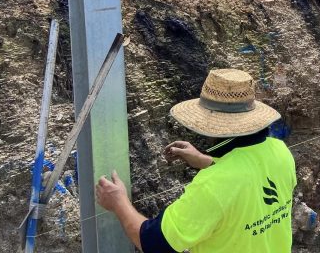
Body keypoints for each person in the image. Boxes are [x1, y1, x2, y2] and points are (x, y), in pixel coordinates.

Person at [96, 68, 296, 252]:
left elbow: (153, 243)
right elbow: (246, 182)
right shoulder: (280, 151)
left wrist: (119, 202)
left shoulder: (213, 184)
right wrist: (204, 160)